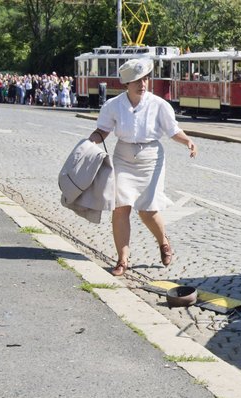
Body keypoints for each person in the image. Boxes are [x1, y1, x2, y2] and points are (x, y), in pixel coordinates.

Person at [87, 57, 198, 276]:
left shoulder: (159, 105)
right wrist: (90, 144)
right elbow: (102, 131)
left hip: (150, 158)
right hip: (124, 157)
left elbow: (172, 130)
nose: (143, 83)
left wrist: (188, 141)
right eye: (137, 80)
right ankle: (122, 260)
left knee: (147, 210)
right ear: (126, 84)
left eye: (145, 79)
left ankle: (163, 241)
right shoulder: (114, 105)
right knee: (120, 207)